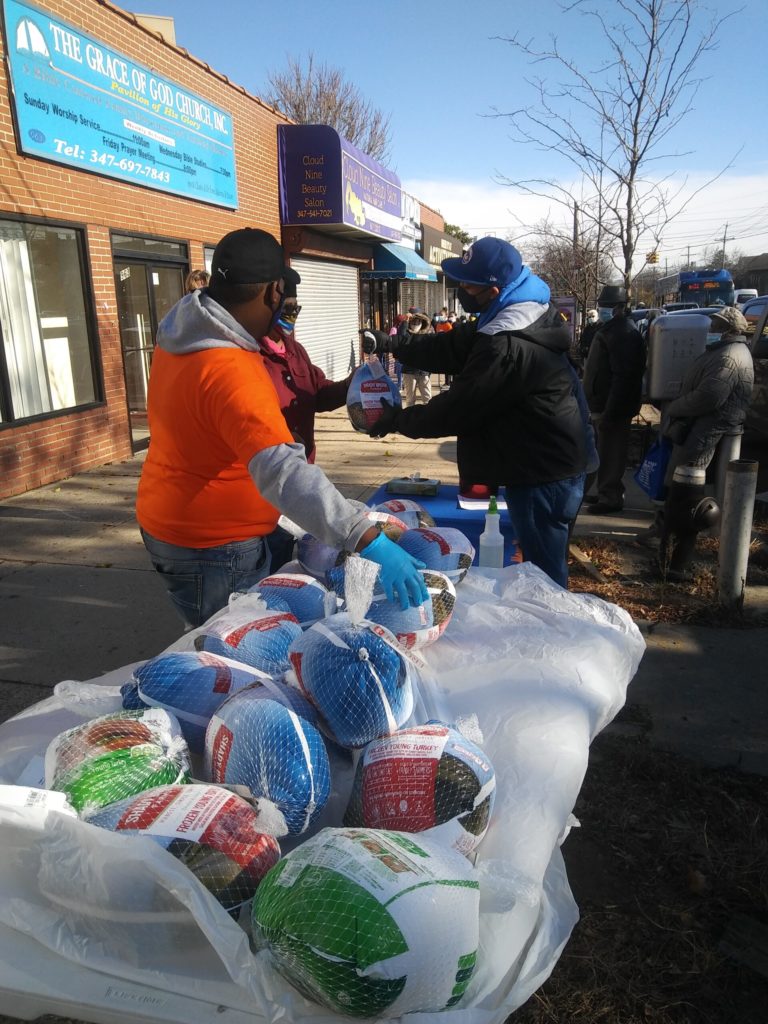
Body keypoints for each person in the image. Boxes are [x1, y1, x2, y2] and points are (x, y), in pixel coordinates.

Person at [136, 227, 427, 628]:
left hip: (176, 519)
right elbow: (283, 471)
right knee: (239, 659)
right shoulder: (231, 369)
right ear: (274, 291)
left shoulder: (181, 336)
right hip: (214, 543)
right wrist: (365, 537)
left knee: (210, 638)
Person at [361, 236, 587, 589]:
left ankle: (548, 632)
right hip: (545, 464)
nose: (461, 288)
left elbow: (459, 408)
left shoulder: (509, 343)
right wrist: (395, 343)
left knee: (543, 578)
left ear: (494, 291)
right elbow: (450, 346)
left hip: (545, 473)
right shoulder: (509, 314)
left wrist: (396, 420)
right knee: (539, 567)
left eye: (468, 284)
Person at [258, 266, 354, 569]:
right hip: (265, 484)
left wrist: (352, 385)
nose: (292, 315)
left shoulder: (294, 349)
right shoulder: (247, 355)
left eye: (296, 308)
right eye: (287, 308)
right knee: (266, 566)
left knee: (287, 557)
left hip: (299, 480)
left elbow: (318, 393)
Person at [582, 286, 646, 513]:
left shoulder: (623, 333)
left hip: (613, 406)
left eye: (607, 306)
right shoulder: (611, 329)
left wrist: (611, 411)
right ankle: (603, 492)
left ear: (619, 307)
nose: (602, 309)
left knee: (611, 452)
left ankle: (610, 497)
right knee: (602, 451)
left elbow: (624, 376)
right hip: (602, 403)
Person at [400, 311, 434, 407]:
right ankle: (410, 420)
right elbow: (401, 336)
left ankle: (429, 418)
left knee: (427, 398)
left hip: (423, 372)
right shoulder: (406, 335)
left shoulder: (426, 335)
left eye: (418, 322)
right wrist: (405, 321)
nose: (415, 324)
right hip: (409, 371)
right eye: (413, 322)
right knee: (410, 399)